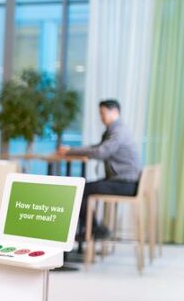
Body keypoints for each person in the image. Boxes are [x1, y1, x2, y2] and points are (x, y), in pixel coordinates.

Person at [57, 99, 143, 240]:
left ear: (115, 112)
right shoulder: (114, 130)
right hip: (124, 181)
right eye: (100, 113)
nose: (101, 117)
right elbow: (97, 147)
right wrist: (71, 151)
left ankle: (95, 229)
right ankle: (94, 229)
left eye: (103, 113)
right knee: (82, 187)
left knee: (79, 189)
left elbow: (101, 152)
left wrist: (70, 151)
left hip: (125, 184)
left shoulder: (118, 131)